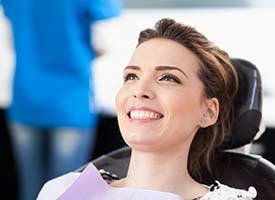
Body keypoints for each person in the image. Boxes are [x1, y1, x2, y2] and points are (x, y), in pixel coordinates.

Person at [37, 18, 257, 200]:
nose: (139, 90)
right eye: (131, 76)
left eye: (168, 78)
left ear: (208, 112)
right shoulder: (62, 189)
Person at [0, 0, 122, 200]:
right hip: (71, 102)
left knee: (31, 189)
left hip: (26, 98)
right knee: (67, 192)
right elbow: (104, 43)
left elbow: (9, 41)